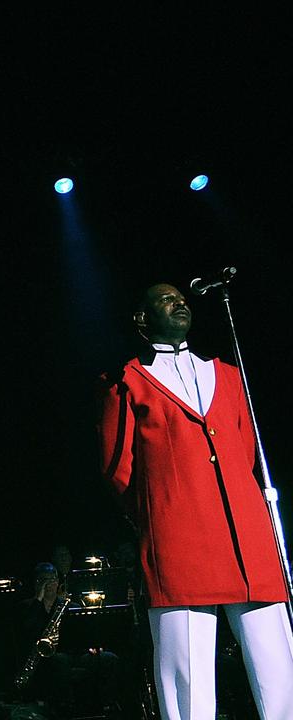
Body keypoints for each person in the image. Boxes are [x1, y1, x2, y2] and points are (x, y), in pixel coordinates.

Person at [97, 282, 293, 720]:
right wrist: (165, 509)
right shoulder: (126, 382)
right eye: (166, 300)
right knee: (187, 676)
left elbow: (243, 450)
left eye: (181, 298)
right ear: (142, 320)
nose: (179, 303)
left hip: (247, 537)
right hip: (179, 539)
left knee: (277, 664)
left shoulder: (226, 373)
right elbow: (119, 470)